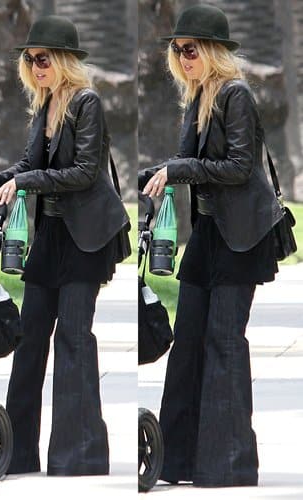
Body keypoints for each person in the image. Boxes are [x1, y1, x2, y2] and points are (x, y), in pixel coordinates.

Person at [0, 15, 129, 476]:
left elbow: (83, 173)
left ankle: (80, 455)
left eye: (44, 59)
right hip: (52, 236)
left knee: (73, 338)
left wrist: (24, 183)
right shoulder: (45, 104)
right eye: (30, 59)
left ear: (66, 62)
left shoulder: (86, 103)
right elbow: (26, 163)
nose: (36, 66)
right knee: (30, 338)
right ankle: (19, 453)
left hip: (88, 237)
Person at [138, 4, 282, 487]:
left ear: (214, 52)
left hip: (241, 238)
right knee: (188, 345)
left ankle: (229, 464)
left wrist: (179, 171)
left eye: (191, 50)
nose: (183, 58)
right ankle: (177, 461)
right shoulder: (198, 95)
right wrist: (158, 173)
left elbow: (240, 167)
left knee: (223, 343)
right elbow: (188, 159)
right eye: (177, 51)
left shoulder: (235, 94)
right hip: (208, 236)